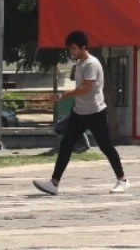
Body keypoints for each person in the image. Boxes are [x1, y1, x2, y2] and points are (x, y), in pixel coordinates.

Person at [33, 31, 128, 195]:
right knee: (66, 145)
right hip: (79, 113)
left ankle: (122, 180)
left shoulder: (91, 63)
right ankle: (54, 183)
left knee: (106, 147)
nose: (71, 52)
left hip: (95, 113)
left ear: (83, 47)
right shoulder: (79, 65)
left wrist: (62, 96)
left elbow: (85, 89)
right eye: (70, 49)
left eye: (73, 48)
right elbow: (79, 88)